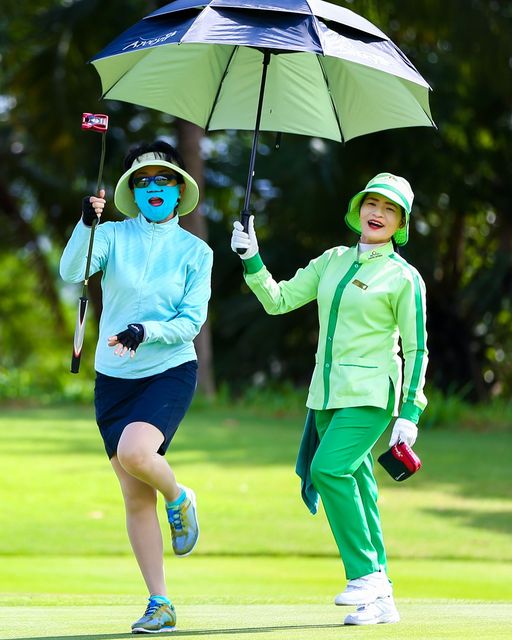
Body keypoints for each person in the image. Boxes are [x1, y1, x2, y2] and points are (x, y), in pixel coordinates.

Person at [230, 172, 428, 626]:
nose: (377, 213)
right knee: (359, 484)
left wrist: (410, 411)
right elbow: (278, 301)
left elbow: (417, 348)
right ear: (358, 209)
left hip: (373, 395)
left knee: (329, 468)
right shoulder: (333, 260)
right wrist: (252, 257)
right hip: (325, 395)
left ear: (400, 223)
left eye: (389, 209)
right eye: (371, 203)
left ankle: (364, 576)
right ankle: (382, 597)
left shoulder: (404, 277)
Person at [60, 140, 213, 634]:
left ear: (179, 189)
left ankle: (180, 496)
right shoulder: (112, 235)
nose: (153, 188)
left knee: (136, 453)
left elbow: (190, 321)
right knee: (132, 495)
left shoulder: (197, 251)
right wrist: (87, 223)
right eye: (143, 180)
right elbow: (70, 271)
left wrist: (147, 331)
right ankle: (160, 602)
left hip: (168, 367)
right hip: (113, 376)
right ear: (129, 188)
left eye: (163, 180)